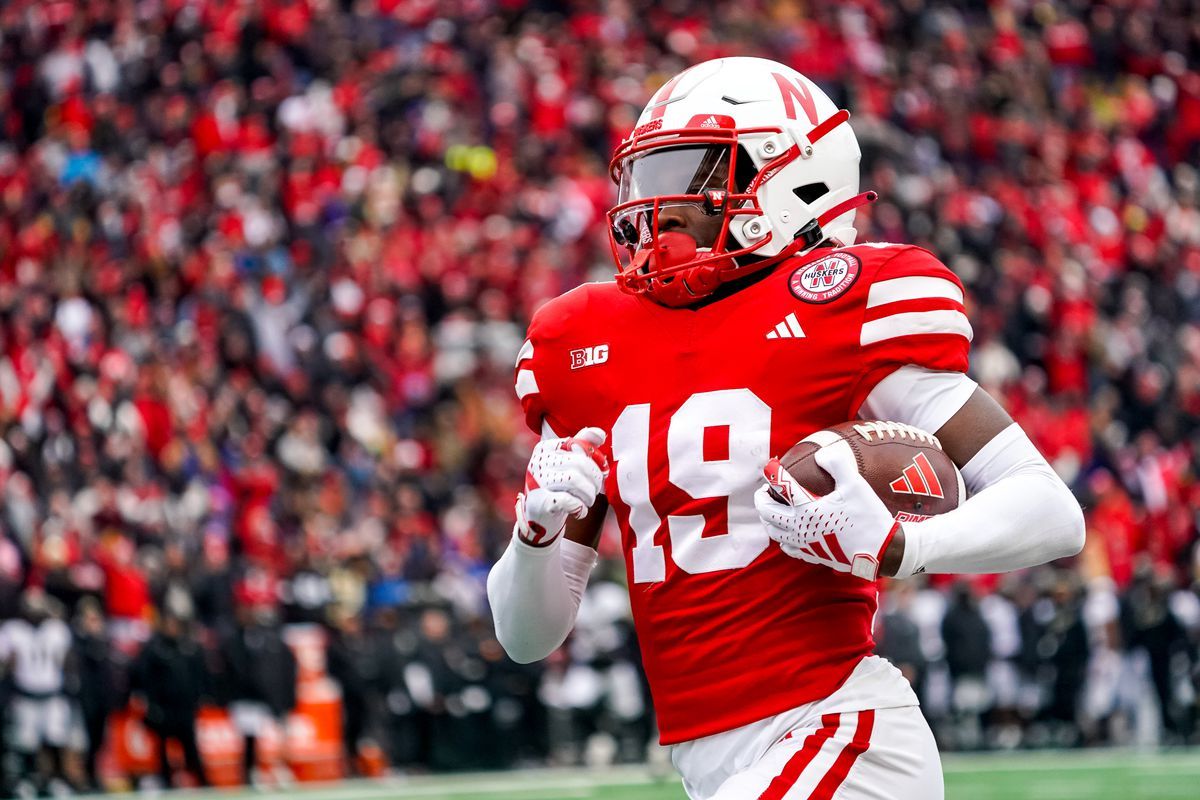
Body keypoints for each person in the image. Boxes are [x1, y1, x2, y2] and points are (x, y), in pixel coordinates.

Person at [487, 56, 1086, 800]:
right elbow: (526, 637)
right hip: (712, 759)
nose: (658, 208)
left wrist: (903, 546)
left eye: (693, 174)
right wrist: (535, 534)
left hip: (843, 734)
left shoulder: (840, 304)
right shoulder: (579, 342)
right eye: (647, 179)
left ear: (793, 179)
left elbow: (1051, 510)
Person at [0, 591, 73, 798]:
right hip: (25, 694)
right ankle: (26, 780)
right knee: (25, 742)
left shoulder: (57, 629)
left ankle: (56, 779)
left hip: (53, 693)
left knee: (55, 738)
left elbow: (66, 660)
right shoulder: (12, 630)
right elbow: (6, 663)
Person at [130, 612, 211, 788]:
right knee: (163, 747)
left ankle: (202, 781)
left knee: (190, 747)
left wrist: (199, 697)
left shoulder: (188, 646)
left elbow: (199, 674)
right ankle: (166, 781)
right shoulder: (154, 649)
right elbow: (145, 677)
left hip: (185, 707)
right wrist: (151, 703)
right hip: (164, 707)